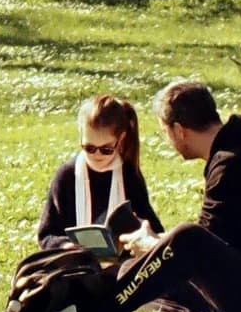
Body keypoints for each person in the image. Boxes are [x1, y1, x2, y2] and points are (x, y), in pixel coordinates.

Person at [111, 81, 241, 312]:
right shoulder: (239, 150)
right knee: (132, 271)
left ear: (179, 130)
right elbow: (217, 240)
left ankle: (98, 311)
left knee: (184, 237)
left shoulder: (233, 163)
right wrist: (159, 246)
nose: (169, 140)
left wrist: (152, 244)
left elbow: (196, 246)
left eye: (165, 132)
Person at [34, 94, 163, 247]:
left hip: (121, 264)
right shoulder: (67, 175)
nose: (97, 155)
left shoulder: (128, 175)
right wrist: (66, 245)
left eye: (106, 149)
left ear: (121, 139)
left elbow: (153, 230)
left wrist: (138, 235)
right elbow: (47, 235)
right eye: (89, 148)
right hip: (75, 262)